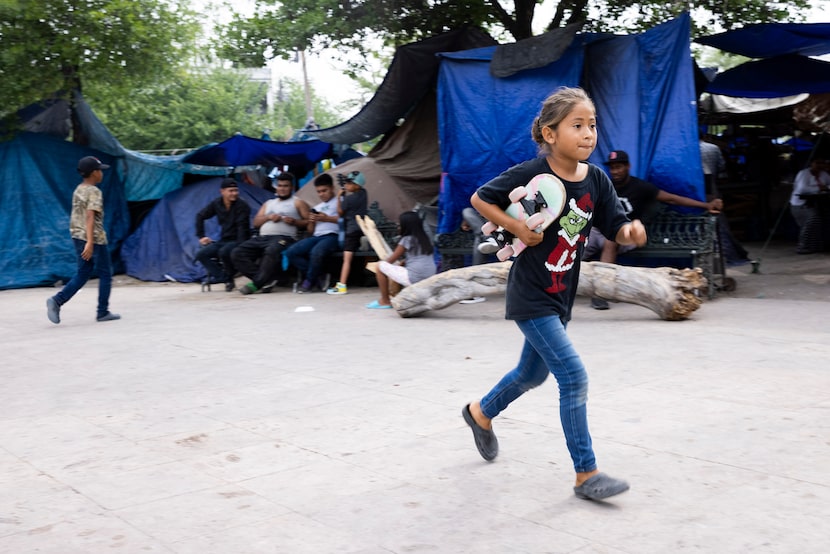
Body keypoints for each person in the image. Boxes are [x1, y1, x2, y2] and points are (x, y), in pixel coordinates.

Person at [463, 86, 646, 502]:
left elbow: (615, 223)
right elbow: (480, 198)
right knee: (573, 376)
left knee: (532, 374)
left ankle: (480, 413)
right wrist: (517, 228)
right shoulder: (534, 173)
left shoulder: (596, 178)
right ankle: (587, 475)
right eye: (577, 125)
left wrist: (630, 232)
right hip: (531, 293)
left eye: (592, 125)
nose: (588, 134)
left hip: (562, 292)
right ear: (550, 134)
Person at [582, 149, 723, 310]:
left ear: (628, 166)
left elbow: (672, 198)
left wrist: (705, 205)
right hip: (600, 230)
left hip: (628, 234)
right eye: (612, 168)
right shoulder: (605, 185)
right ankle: (558, 286)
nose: (615, 171)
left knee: (611, 240)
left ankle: (600, 293)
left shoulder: (640, 187)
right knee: (575, 243)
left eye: (619, 167)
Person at [46, 156, 120, 324]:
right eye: (100, 170)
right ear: (94, 173)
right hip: (94, 238)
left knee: (83, 273)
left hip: (77, 235)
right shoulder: (94, 191)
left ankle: (57, 301)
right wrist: (90, 242)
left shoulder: (79, 189)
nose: (102, 173)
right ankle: (103, 312)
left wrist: (84, 240)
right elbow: (89, 215)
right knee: (106, 274)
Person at [233, 172, 309, 294]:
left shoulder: (298, 202)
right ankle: (266, 279)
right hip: (263, 237)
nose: (282, 189)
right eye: (280, 186)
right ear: (276, 187)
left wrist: (295, 222)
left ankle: (256, 283)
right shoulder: (268, 203)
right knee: (237, 253)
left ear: (292, 188)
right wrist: (268, 217)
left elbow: (308, 222)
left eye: (285, 186)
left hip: (284, 238)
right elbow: (256, 222)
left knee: (271, 250)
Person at [365, 211, 436, 309]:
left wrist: (385, 263)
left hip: (414, 278)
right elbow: (420, 258)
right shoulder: (425, 239)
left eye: (400, 224)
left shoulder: (407, 239)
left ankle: (385, 301)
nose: (398, 226)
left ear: (406, 226)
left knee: (380, 266)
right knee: (399, 266)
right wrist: (403, 263)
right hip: (429, 276)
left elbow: (391, 260)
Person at [283, 173, 340, 293]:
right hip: (316, 237)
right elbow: (310, 231)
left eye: (324, 190)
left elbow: (345, 220)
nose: (321, 194)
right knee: (291, 252)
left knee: (315, 253)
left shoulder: (340, 202)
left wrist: (327, 218)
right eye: (318, 192)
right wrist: (312, 221)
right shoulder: (317, 207)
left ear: (332, 188)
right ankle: (318, 276)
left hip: (332, 236)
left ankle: (308, 282)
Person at [194, 177, 251, 291]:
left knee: (224, 252)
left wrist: (240, 247)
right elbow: (200, 216)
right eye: (231, 191)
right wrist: (201, 236)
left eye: (236, 190)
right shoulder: (217, 203)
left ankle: (228, 277)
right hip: (224, 239)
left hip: (238, 240)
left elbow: (242, 229)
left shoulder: (242, 206)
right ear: (222, 192)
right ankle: (225, 278)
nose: (234, 193)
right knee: (201, 254)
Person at [326, 171, 368, 295]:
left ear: (357, 185)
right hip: (361, 228)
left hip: (351, 230)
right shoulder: (364, 193)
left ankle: (342, 285)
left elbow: (340, 213)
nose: (347, 185)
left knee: (346, 259)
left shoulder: (349, 200)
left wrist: (339, 197)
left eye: (350, 183)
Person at [790, 158, 830, 254]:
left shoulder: (824, 174)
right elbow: (802, 189)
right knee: (813, 219)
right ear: (812, 163)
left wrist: (825, 187)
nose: (820, 165)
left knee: (825, 218)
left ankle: (819, 246)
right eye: (817, 163)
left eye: (822, 163)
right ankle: (803, 246)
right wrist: (820, 188)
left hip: (818, 203)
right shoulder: (803, 174)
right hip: (800, 204)